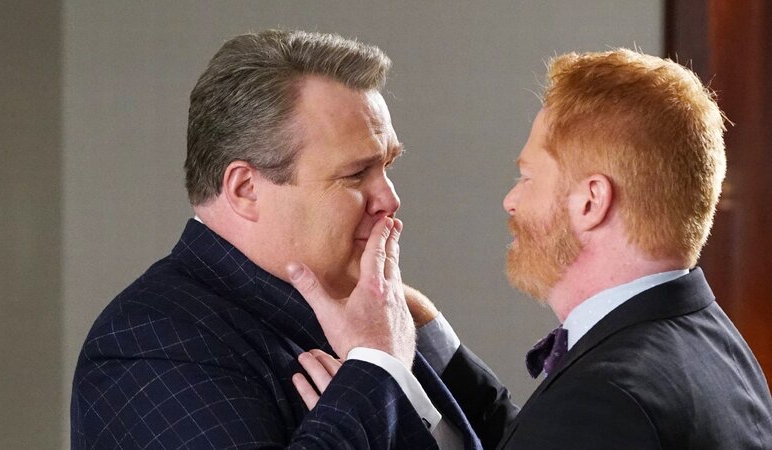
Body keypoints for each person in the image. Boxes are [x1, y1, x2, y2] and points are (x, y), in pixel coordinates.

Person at [290, 49, 772, 449]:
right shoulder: (711, 342)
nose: (511, 200)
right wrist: (429, 335)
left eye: (527, 177)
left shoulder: (605, 399)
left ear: (590, 202)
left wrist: (374, 419)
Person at [70, 30, 486, 449]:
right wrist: (377, 366)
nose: (390, 200)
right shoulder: (149, 341)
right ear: (245, 189)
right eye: (356, 174)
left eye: (387, 166)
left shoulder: (373, 319)